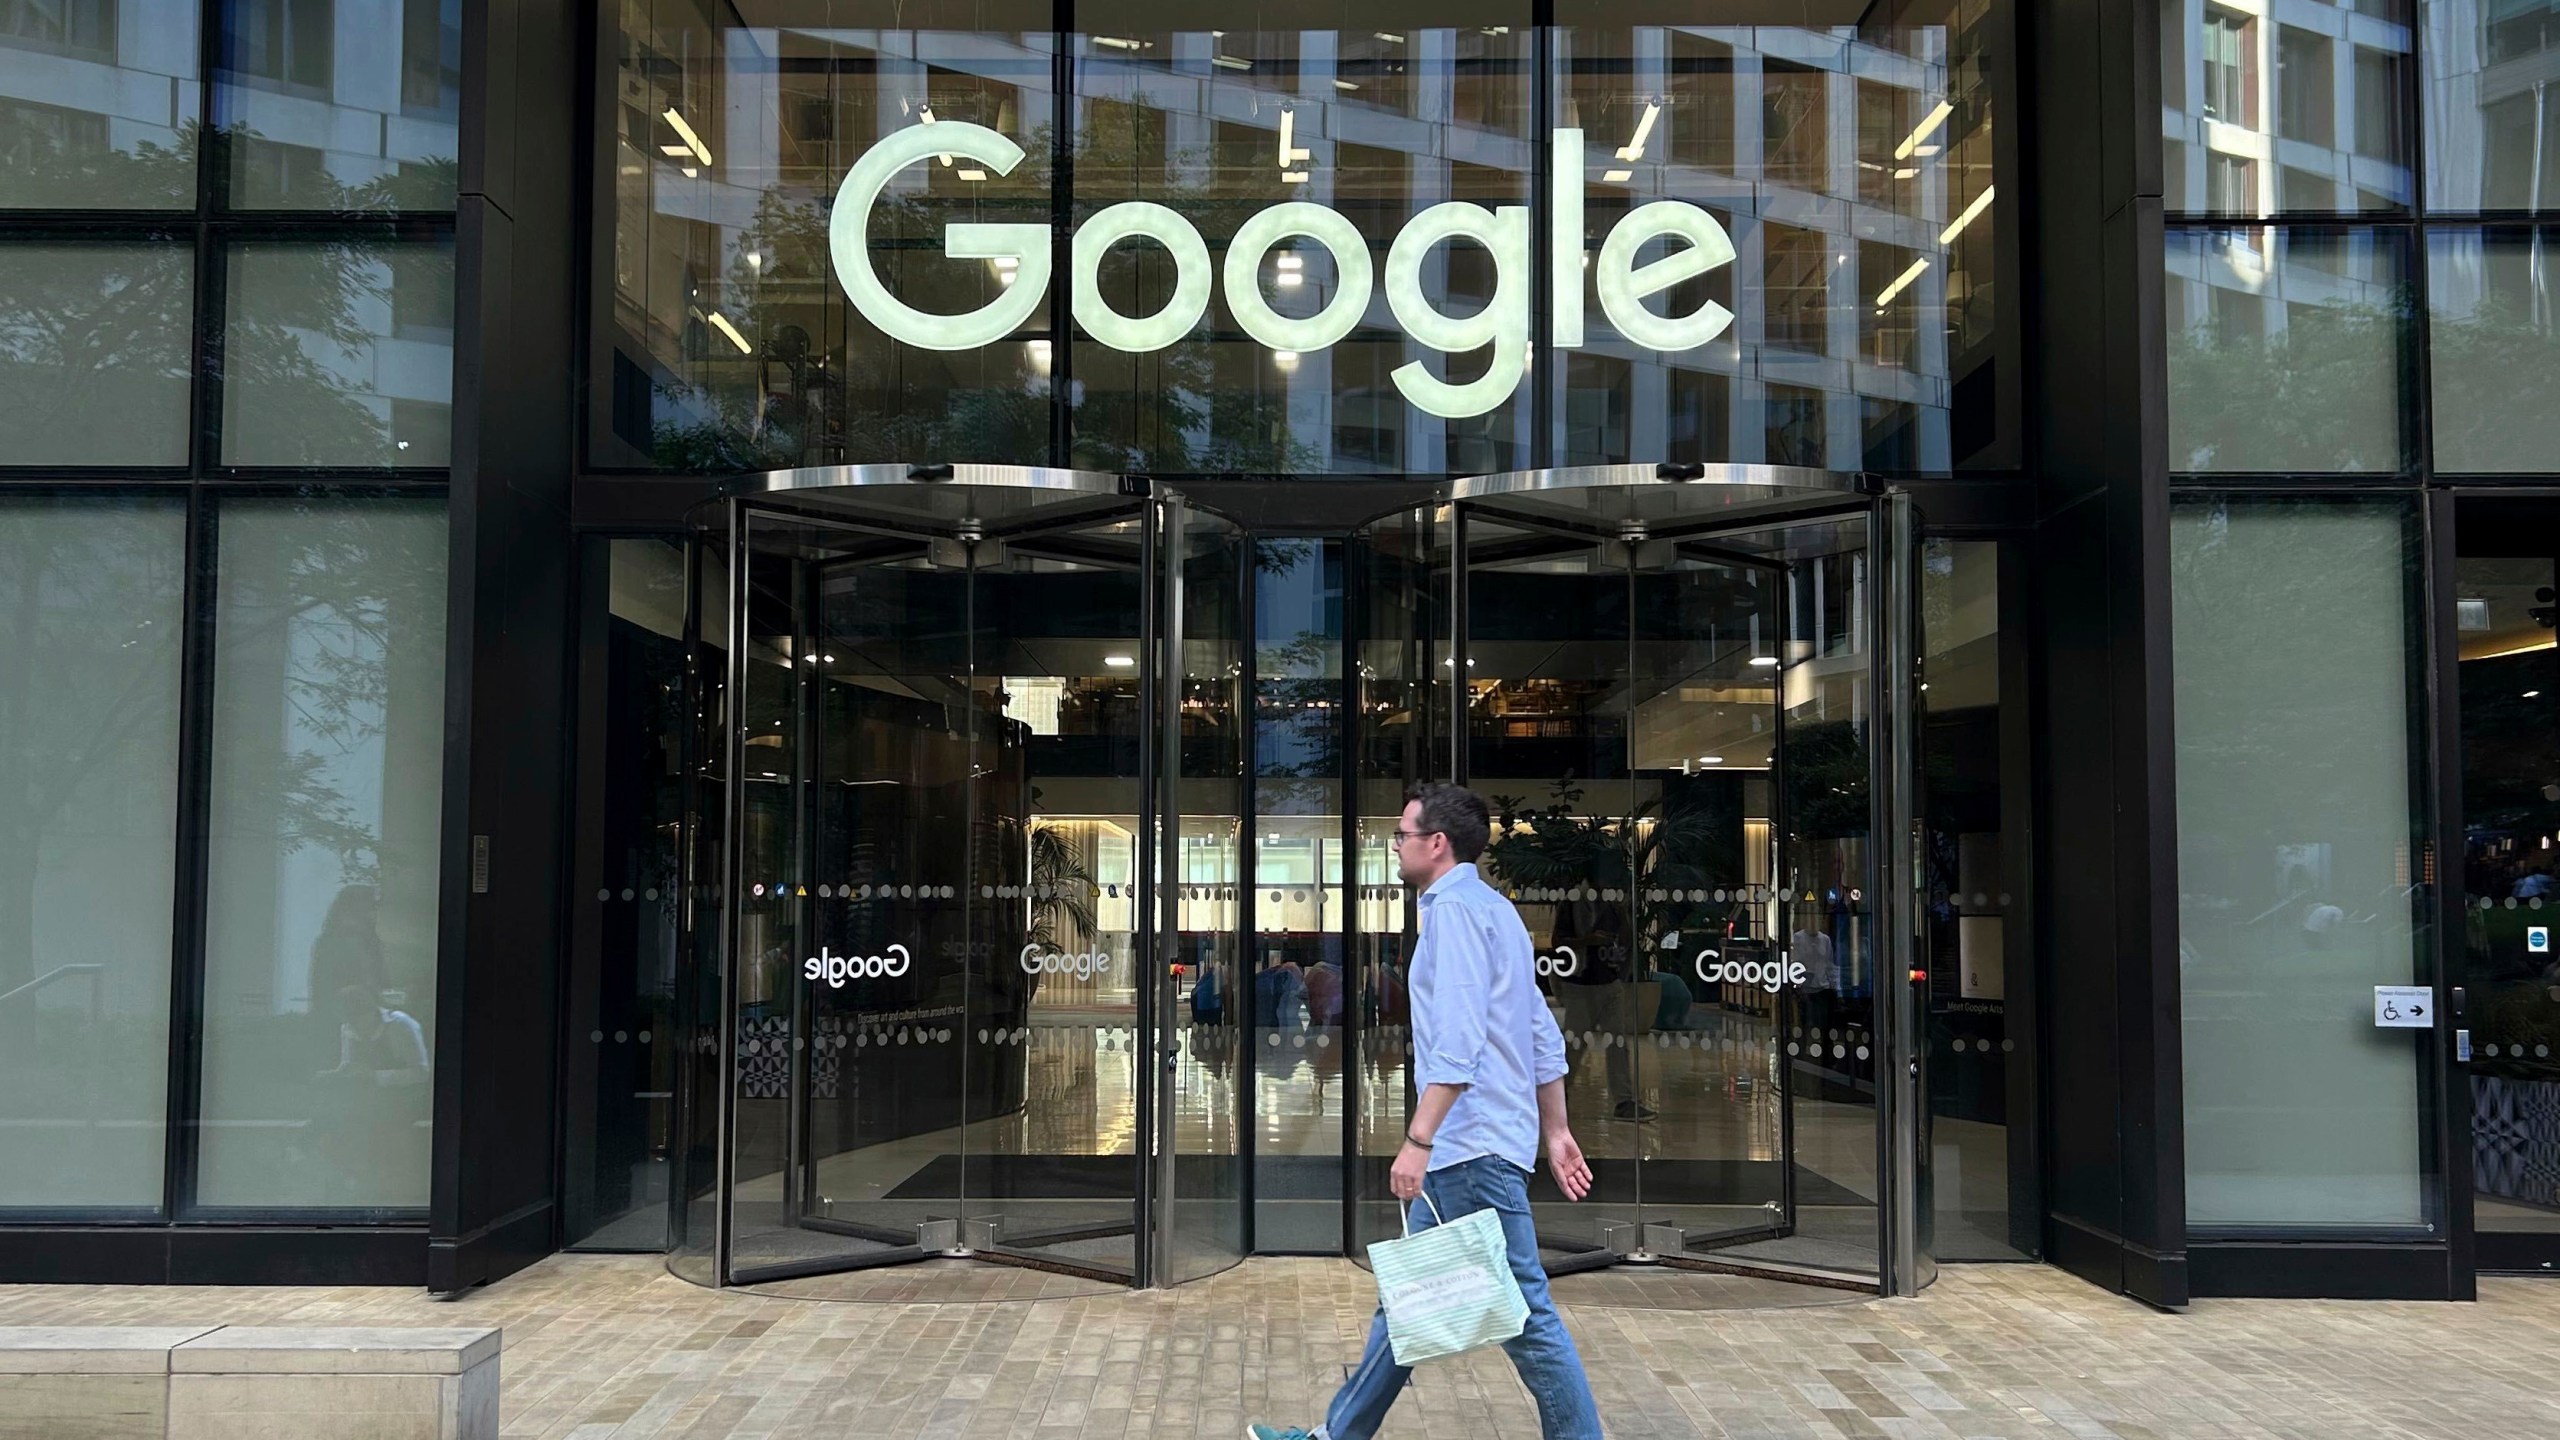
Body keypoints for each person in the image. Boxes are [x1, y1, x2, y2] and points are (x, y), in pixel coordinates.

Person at [1250, 784, 1603, 1440]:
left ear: (1435, 843)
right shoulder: (1496, 911)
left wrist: (1419, 1138)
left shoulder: (1455, 915)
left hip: (1470, 1146)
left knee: (1526, 1314)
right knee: (1408, 1305)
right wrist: (1554, 1130)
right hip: (1483, 1140)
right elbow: (1540, 1033)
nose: (1396, 845)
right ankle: (1337, 1436)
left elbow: (1461, 1044)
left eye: (1402, 835)